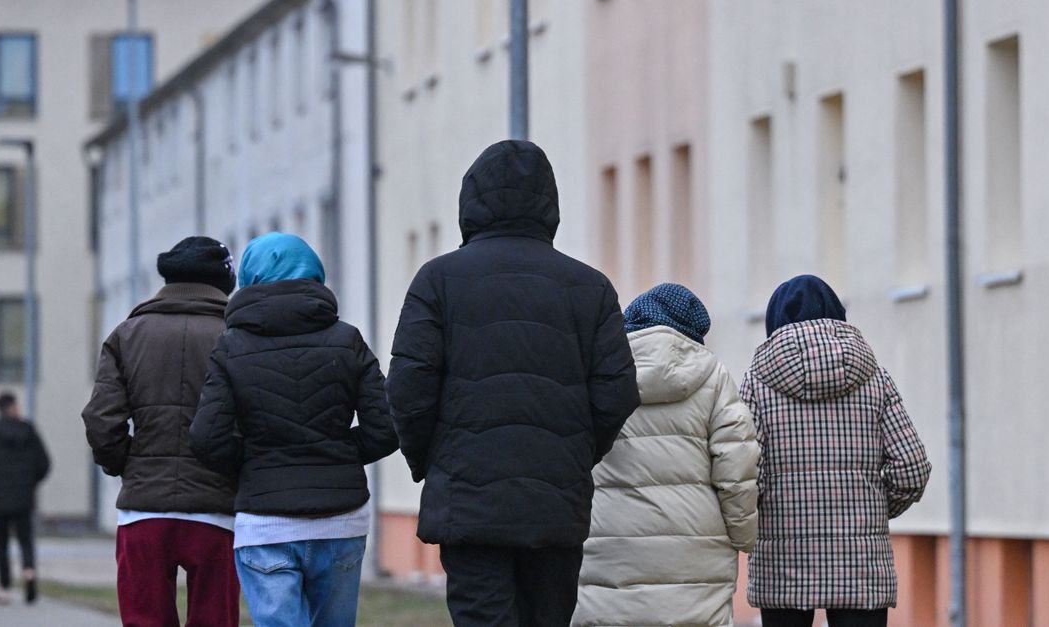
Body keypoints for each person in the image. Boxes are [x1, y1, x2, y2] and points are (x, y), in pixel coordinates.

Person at [387, 140, 640, 626]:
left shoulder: (437, 281)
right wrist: (572, 452)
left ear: (471, 201)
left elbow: (408, 391)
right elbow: (617, 392)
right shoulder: (590, 288)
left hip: (469, 505)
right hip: (555, 506)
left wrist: (432, 461)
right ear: (549, 204)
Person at [190, 232, 398, 627]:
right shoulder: (346, 339)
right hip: (341, 518)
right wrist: (337, 451)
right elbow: (386, 428)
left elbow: (206, 437)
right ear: (314, 275)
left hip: (266, 525)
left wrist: (255, 462)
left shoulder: (232, 345)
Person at [742, 275, 932, 627]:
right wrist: (871, 508)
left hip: (782, 562)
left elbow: (747, 474)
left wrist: (763, 514)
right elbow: (912, 467)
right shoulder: (874, 377)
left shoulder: (757, 382)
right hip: (861, 565)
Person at [573, 283, 759, 627]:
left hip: (609, 539)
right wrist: (744, 535)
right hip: (695, 548)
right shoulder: (713, 377)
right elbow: (737, 467)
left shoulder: (596, 374)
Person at [82, 236, 241, 627]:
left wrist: (129, 464)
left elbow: (102, 420)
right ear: (225, 281)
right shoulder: (239, 336)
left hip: (143, 509)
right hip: (217, 509)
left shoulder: (127, 333)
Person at [0, 391, 51, 605]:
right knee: (25, 539)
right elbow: (44, 464)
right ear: (13, 407)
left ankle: (4, 588)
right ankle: (29, 573)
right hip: (24, 496)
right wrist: (31, 483)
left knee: (2, 543)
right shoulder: (30, 433)